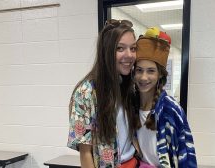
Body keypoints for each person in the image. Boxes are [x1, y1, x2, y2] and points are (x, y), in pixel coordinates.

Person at [67, 19, 139, 167]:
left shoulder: (128, 86)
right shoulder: (86, 93)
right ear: (106, 51)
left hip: (134, 163)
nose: (130, 55)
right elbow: (85, 153)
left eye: (133, 48)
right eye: (120, 48)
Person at [133, 27, 197, 168]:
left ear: (160, 74)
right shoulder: (130, 106)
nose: (144, 77)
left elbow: (186, 153)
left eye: (151, 71)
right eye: (139, 70)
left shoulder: (171, 109)